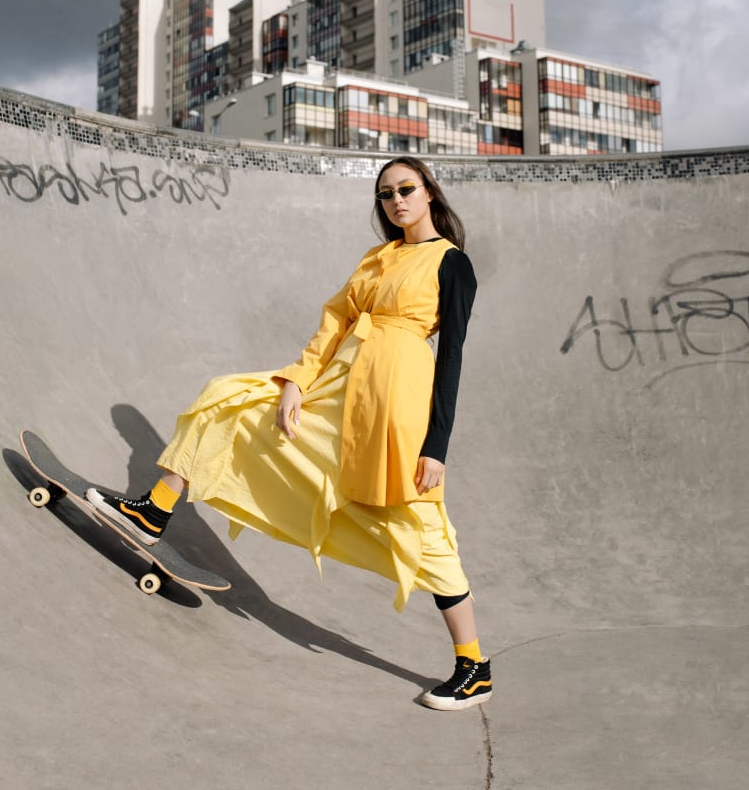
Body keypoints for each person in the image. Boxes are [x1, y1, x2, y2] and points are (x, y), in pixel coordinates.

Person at [87, 156, 491, 711]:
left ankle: (473, 665)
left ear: (428, 193)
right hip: (336, 390)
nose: (396, 201)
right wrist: (297, 380)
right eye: (385, 195)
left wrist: (436, 446)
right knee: (227, 398)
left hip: (396, 404)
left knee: (420, 526)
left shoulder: (451, 264)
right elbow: (334, 323)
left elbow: (452, 360)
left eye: (405, 189)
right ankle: (154, 509)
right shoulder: (377, 257)